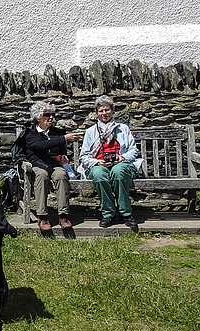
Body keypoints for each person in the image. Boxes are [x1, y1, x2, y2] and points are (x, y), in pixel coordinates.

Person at [78, 95, 140, 229]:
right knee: (99, 175)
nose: (104, 113)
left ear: (112, 110)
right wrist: (97, 162)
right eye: (101, 111)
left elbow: (133, 150)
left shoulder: (123, 129)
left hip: (120, 163)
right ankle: (108, 214)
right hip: (99, 163)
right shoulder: (90, 132)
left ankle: (126, 213)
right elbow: (84, 156)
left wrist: (123, 158)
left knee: (119, 172)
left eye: (107, 110)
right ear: (97, 113)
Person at [24, 101, 83, 231]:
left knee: (61, 175)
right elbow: (39, 146)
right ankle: (42, 216)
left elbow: (61, 150)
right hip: (38, 164)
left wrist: (63, 157)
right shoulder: (30, 133)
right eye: (47, 115)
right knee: (42, 176)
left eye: (52, 115)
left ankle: (63, 215)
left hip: (54, 165)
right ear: (38, 117)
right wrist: (64, 138)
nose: (51, 117)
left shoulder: (56, 132)